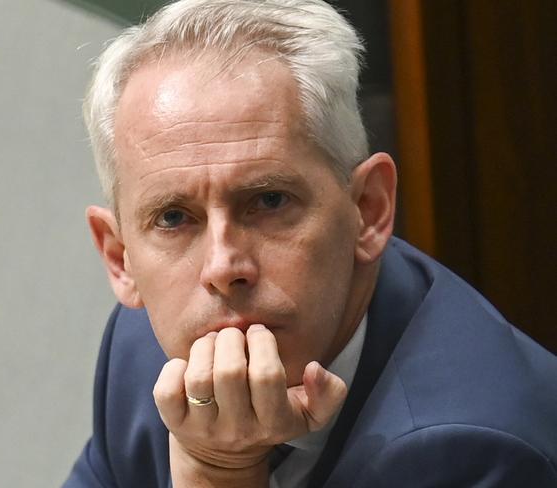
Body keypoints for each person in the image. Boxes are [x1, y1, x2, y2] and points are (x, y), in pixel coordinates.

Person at [64, 1, 557, 486]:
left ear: (368, 209)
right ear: (121, 258)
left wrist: (215, 471)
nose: (222, 266)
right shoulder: (141, 353)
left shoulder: (474, 451)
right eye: (173, 218)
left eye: (270, 200)